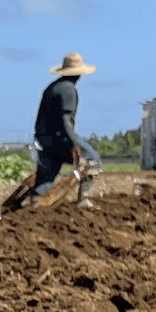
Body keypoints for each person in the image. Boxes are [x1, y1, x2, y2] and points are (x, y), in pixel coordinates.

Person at [33, 52, 101, 207]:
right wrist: (73, 144)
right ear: (79, 74)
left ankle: (35, 202)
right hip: (59, 138)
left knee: (46, 178)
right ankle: (83, 199)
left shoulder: (51, 87)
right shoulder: (69, 90)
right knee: (92, 159)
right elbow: (65, 121)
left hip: (43, 139)